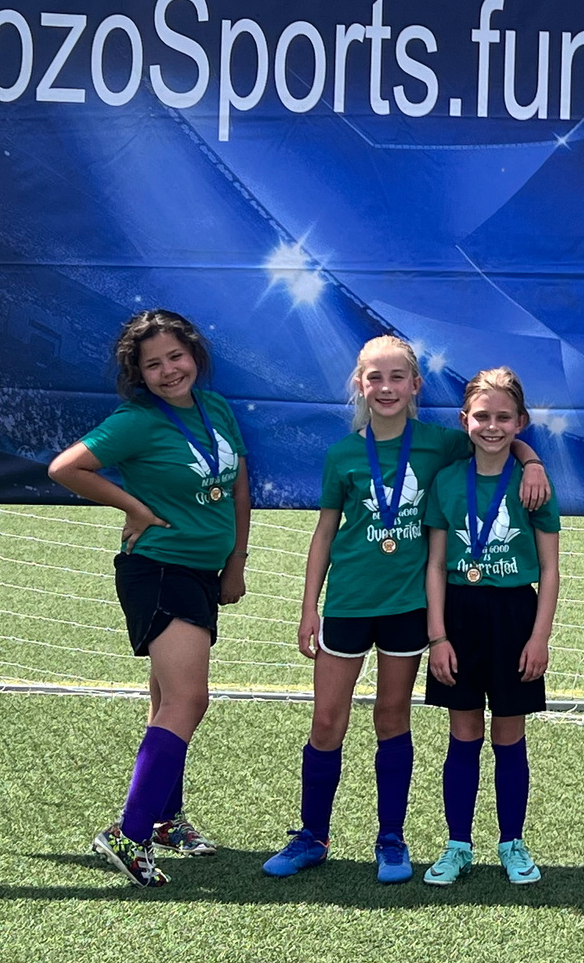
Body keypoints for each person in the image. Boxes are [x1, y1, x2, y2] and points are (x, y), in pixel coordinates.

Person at [262, 337, 550, 881]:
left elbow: (497, 437)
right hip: (347, 602)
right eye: (375, 378)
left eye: (398, 377)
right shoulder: (344, 454)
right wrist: (309, 608)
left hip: (410, 606)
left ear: (416, 385)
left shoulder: (441, 444)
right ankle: (310, 836)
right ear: (360, 385)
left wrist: (531, 459)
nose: (386, 388)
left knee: (391, 717)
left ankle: (390, 839)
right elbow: (324, 534)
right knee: (327, 720)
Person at [48, 309, 249, 887]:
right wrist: (133, 508)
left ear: (195, 356)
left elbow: (237, 480)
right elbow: (67, 467)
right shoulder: (135, 420)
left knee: (168, 701)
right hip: (159, 571)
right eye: (153, 364)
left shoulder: (217, 410)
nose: (168, 371)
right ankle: (127, 834)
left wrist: (235, 562)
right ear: (138, 373)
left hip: (204, 572)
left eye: (176, 357)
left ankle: (163, 820)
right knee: (189, 700)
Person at [418, 367, 562, 887]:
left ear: (521, 422)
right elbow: (435, 564)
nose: (493, 426)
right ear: (465, 421)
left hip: (514, 618)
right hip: (458, 617)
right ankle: (458, 843)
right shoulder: (446, 480)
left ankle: (512, 842)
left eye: (504, 417)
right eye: (483, 416)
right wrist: (437, 636)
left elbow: (549, 568)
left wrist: (539, 636)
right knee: (463, 734)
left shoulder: (536, 486)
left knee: (509, 734)